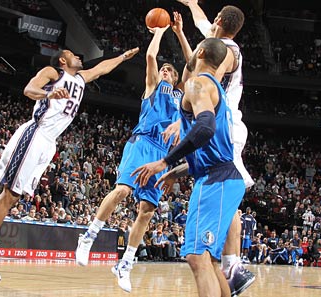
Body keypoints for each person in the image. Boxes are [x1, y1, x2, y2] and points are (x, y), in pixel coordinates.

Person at [0, 46, 139, 281]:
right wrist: (48, 94)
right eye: (73, 54)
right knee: (9, 194)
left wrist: (122, 57)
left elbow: (100, 69)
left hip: (49, 142)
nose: (79, 57)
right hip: (35, 134)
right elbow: (29, 89)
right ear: (63, 60)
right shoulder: (53, 72)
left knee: (10, 196)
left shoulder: (79, 79)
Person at [132, 38, 244, 297]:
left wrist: (164, 161)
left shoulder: (197, 84)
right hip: (224, 175)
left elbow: (205, 128)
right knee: (210, 262)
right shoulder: (218, 91)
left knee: (196, 257)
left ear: (201, 52)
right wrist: (177, 171)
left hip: (216, 180)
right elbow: (213, 149)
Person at [75, 26, 182, 293]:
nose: (165, 72)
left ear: (177, 78)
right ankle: (88, 236)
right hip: (142, 143)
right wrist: (160, 31)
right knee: (123, 190)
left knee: (147, 211)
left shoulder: (182, 100)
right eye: (164, 70)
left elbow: (193, 67)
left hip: (163, 156)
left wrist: (172, 168)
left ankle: (125, 263)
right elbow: (150, 57)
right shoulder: (153, 88)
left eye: (170, 70)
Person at [171, 2, 255, 294]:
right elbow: (200, 22)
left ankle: (233, 265)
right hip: (221, 122)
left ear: (220, 21)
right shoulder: (216, 40)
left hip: (225, 122)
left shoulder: (228, 52)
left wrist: (188, 113)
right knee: (225, 183)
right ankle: (228, 267)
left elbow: (206, 84)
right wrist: (193, 4)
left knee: (226, 181)